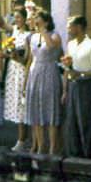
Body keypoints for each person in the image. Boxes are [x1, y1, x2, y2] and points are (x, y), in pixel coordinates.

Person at [62, 16, 91, 159]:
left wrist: (81, 74)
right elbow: (68, 68)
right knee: (72, 122)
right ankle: (75, 154)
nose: (68, 29)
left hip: (85, 86)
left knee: (86, 121)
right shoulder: (71, 44)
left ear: (78, 27)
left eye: (70, 26)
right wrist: (65, 90)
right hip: (73, 85)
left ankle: (90, 155)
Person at [25, 10, 63, 154]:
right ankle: (41, 145)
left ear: (46, 21)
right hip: (35, 72)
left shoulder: (54, 35)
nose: (35, 21)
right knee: (36, 109)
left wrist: (43, 31)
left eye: (38, 19)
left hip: (49, 71)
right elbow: (30, 57)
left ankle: (53, 146)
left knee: (50, 108)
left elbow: (52, 47)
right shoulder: (32, 37)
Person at [3, 8, 31, 151]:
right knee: (15, 103)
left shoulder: (28, 35)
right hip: (12, 71)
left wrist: (16, 56)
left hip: (21, 71)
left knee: (21, 105)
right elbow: (2, 24)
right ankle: (21, 138)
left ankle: (22, 139)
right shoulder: (15, 30)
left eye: (19, 17)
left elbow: (27, 59)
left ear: (25, 19)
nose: (16, 20)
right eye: (15, 18)